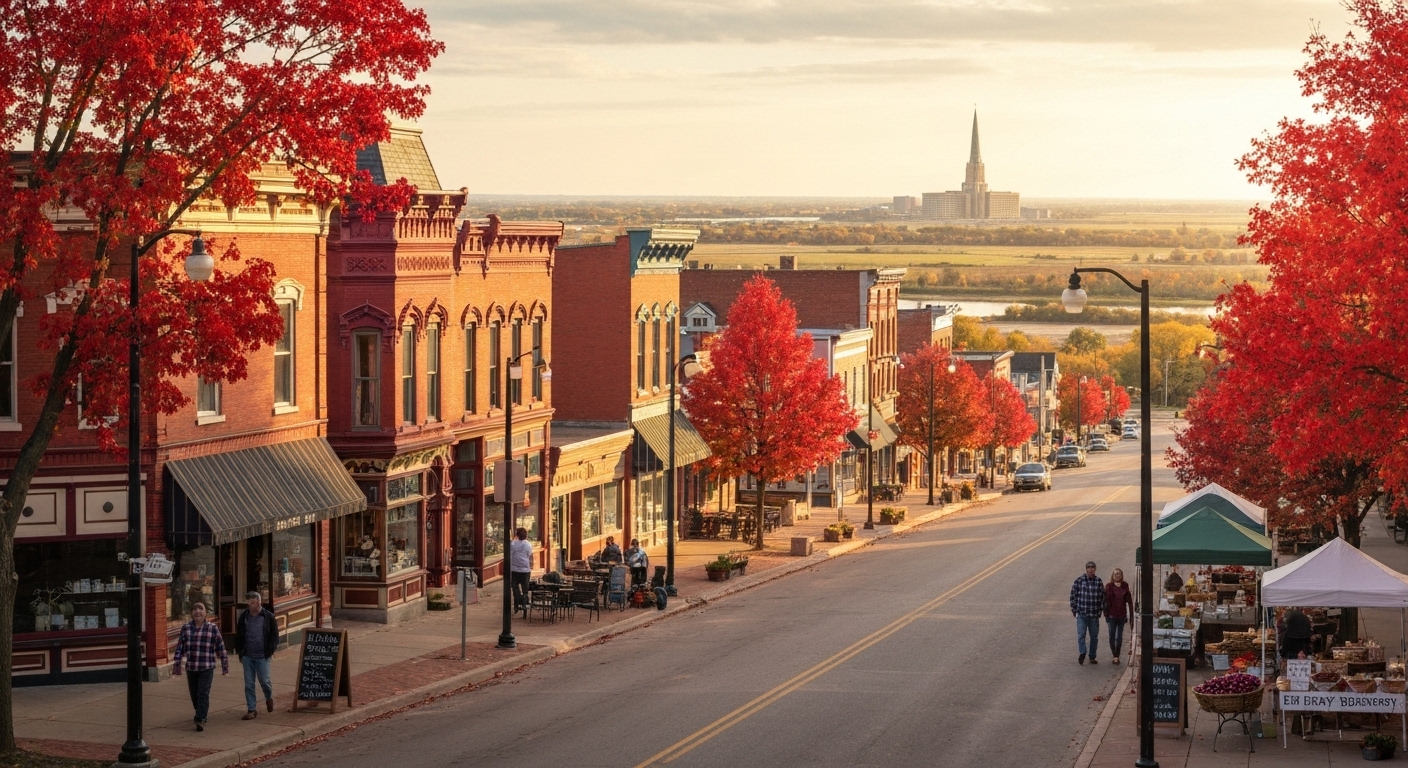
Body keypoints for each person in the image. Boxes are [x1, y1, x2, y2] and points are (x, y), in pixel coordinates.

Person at [172, 602, 228, 731]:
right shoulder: (186, 628)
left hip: (207, 667)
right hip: (191, 667)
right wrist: (177, 664)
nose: (198, 611)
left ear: (205, 612)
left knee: (203, 693)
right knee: (194, 694)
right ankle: (200, 712)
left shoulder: (212, 628)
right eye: (195, 609)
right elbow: (180, 647)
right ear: (191, 613)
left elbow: (221, 647)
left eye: (200, 609)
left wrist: (225, 666)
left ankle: (200, 718)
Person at [233, 592, 278, 720]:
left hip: (262, 656)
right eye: (249, 603)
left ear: (259, 602)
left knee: (265, 681)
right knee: (249, 684)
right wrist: (240, 651)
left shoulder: (268, 617)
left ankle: (268, 697)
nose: (251, 606)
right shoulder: (244, 617)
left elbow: (274, 635)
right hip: (248, 656)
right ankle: (251, 709)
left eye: (253, 602)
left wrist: (270, 650)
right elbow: (240, 634)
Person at [1070, 560, 1106, 665]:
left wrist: (1100, 610)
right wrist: (1074, 609)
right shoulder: (1079, 581)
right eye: (1089, 568)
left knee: (1094, 637)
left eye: (1093, 568)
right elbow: (1073, 595)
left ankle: (1092, 656)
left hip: (1094, 615)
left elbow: (1103, 597)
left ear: (1095, 569)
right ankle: (1082, 652)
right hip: (1082, 613)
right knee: (1081, 635)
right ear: (1086, 569)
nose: (1091, 569)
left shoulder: (1098, 581)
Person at [1104, 568, 1135, 665]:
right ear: (1112, 576)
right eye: (1115, 574)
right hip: (1111, 615)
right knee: (1112, 635)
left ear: (1122, 575)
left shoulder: (1125, 586)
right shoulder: (1109, 586)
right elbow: (1105, 601)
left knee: (1119, 636)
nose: (1117, 576)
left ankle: (1117, 654)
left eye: (1119, 574)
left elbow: (1129, 602)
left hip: (1121, 615)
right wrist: (1106, 615)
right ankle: (1114, 655)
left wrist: (1131, 616)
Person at [509, 527, 533, 614]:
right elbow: (530, 556)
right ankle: (524, 602)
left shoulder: (513, 544)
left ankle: (516, 603)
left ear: (517, 535)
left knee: (515, 588)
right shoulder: (528, 545)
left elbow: (510, 550)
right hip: (525, 569)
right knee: (525, 588)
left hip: (515, 569)